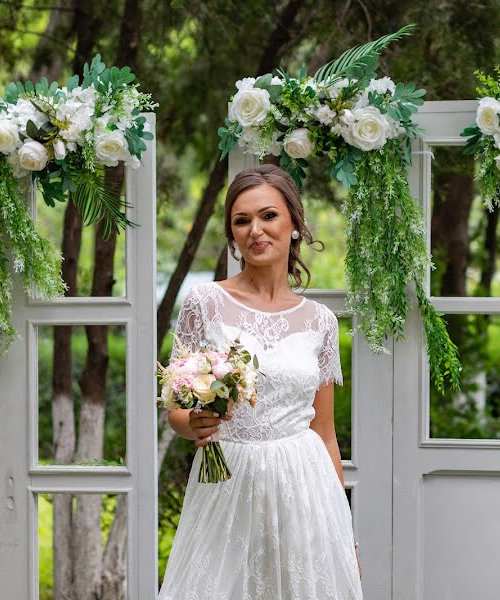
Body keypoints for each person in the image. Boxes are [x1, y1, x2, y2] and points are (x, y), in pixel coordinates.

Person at [158, 164, 363, 599]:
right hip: (227, 481)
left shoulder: (321, 322)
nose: (256, 230)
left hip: (304, 487)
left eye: (268, 216)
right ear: (232, 235)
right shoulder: (205, 303)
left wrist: (342, 526)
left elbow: (324, 434)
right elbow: (175, 407)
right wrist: (190, 423)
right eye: (242, 220)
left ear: (294, 224)